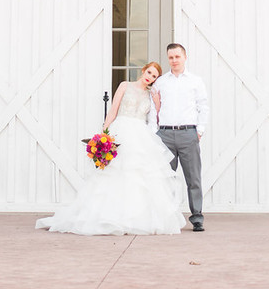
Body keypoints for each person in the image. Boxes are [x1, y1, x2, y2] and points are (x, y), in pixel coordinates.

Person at [36, 62, 185, 235]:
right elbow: (113, 111)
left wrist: (157, 101)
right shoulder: (125, 85)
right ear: (143, 70)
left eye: (154, 76)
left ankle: (135, 218)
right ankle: (107, 216)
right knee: (115, 173)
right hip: (121, 130)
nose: (149, 77)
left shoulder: (150, 94)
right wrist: (104, 134)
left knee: (139, 176)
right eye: (149, 72)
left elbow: (156, 115)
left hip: (140, 134)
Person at [152, 43, 209, 232]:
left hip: (188, 134)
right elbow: (154, 108)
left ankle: (197, 218)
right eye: (171, 57)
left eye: (177, 57)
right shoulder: (161, 82)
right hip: (165, 135)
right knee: (164, 179)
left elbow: (203, 106)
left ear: (184, 57)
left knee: (193, 178)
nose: (174, 60)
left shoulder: (195, 81)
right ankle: (165, 218)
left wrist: (199, 130)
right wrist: (155, 132)